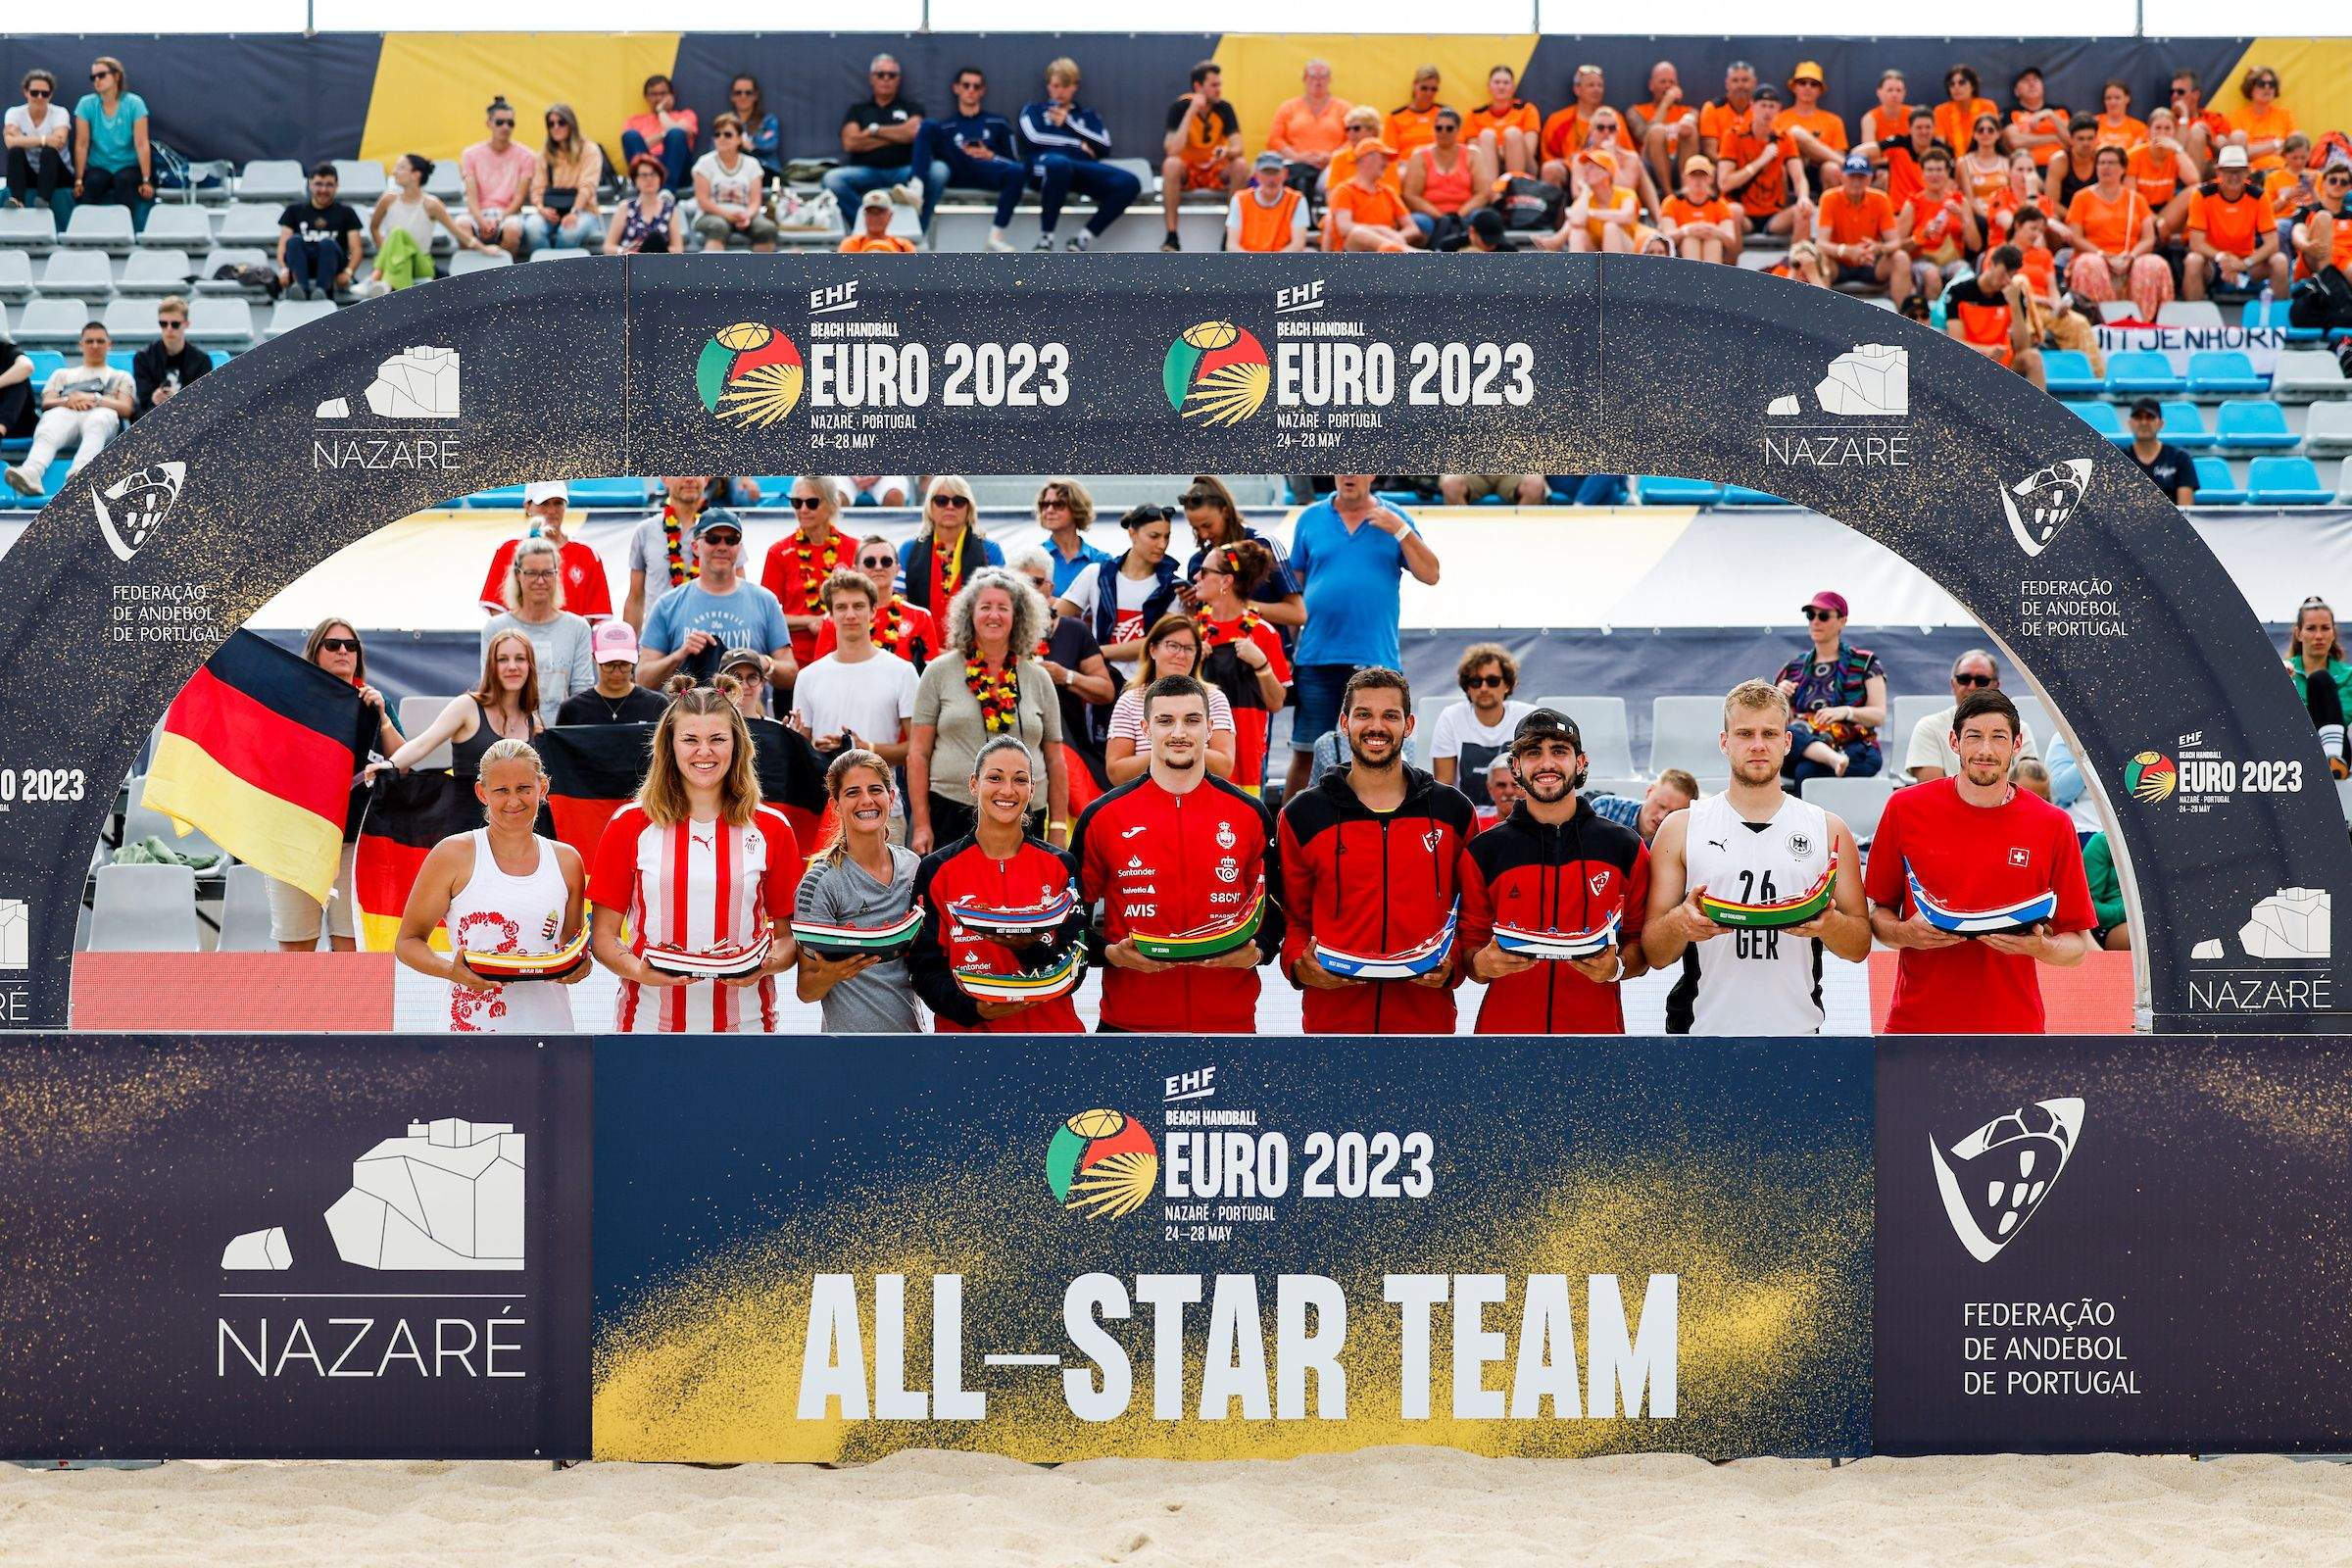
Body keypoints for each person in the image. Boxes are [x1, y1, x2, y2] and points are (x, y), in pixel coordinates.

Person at [1642, 682, 1870, 1036]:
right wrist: (1679, 923)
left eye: (1770, 733)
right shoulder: (1682, 827)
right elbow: (1655, 953)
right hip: (1701, 1034)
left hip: (1799, 1036)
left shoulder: (1828, 829)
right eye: (1745, 733)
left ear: (1787, 742)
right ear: (1724, 741)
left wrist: (1829, 923)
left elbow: (1859, 947)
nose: (1758, 745)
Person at [1864, 688, 2095, 1034]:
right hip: (1916, 1027)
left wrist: (2041, 947)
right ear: (1954, 742)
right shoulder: (1905, 809)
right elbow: (1878, 916)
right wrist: (1906, 932)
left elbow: (2076, 947)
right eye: (1974, 737)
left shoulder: (2053, 824)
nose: (1985, 750)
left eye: (1998, 737)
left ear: (2017, 745)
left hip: (2015, 1030)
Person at [1073, 673, 1283, 1033]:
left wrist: (1260, 951)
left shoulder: (1250, 814)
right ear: (1145, 728)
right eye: (1165, 720)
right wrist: (1109, 953)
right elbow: (1070, 920)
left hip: (1229, 1028)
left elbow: (1277, 911)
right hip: (1129, 1026)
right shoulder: (1102, 817)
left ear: (1209, 727)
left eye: (1192, 720)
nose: (1179, 733)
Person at [590, 678, 802, 1033]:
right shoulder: (628, 824)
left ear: (737, 746)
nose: (704, 752)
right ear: (669, 746)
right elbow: (604, 937)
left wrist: (763, 965)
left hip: (747, 1028)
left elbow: (789, 938)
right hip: (647, 1027)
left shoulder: (772, 828)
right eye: (690, 740)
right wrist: (639, 970)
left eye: (717, 739)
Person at [1280, 668, 1477, 1035]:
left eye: (1390, 715)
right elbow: (1294, 917)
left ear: (1409, 724)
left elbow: (1469, 912)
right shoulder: (1302, 814)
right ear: (1344, 722)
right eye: (1364, 714)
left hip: (1426, 1019)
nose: (1377, 727)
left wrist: (1455, 966)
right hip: (1333, 1019)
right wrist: (1296, 963)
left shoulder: (1453, 811)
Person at [1453, 709, 1652, 1033]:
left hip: (1597, 1039)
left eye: (1559, 751)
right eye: (1534, 753)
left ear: (1580, 762)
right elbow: (1471, 953)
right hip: (1505, 1043)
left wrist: (1616, 967)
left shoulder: (1623, 847)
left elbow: (1641, 945)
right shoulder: (1484, 851)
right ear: (1515, 766)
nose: (1547, 764)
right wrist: (1483, 963)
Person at [395, 739, 586, 1034]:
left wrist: (580, 968)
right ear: (482, 792)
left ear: (543, 788)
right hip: (471, 1035)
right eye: (501, 791)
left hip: (551, 1031)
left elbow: (573, 949)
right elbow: (408, 942)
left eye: (524, 788)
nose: (514, 801)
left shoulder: (567, 860)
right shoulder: (452, 855)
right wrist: (452, 971)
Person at [906, 735, 1086, 1034]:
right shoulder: (936, 869)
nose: (1007, 790)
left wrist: (1028, 949)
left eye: (1019, 780)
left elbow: (1076, 964)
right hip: (967, 1045)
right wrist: (974, 1008)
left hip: (1051, 1040)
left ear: (1032, 788)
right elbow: (923, 969)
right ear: (974, 784)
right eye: (995, 778)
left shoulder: (1061, 865)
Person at [1282, 474, 1442, 801]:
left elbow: (1431, 574)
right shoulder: (1310, 517)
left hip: (1376, 662)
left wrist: (1400, 530)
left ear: (1373, 474)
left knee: (1381, 752)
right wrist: (1286, 650)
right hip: (1316, 657)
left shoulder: (1396, 517)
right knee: (1306, 751)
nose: (1349, 474)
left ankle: (1378, 828)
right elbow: (1293, 592)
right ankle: (1285, 839)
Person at [908, 568, 1069, 853]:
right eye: (985, 607)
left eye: (1003, 608)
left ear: (1017, 617)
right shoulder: (938, 671)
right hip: (952, 811)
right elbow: (918, 754)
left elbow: (1056, 760)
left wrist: (1057, 826)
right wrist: (921, 824)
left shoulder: (1038, 677)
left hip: (1026, 811)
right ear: (969, 614)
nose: (993, 615)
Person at [269, 617, 405, 953]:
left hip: (354, 843)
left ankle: (348, 1009)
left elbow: (405, 760)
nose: (343, 651)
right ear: (315, 653)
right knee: (296, 951)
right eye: (333, 645)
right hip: (296, 840)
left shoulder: (375, 703)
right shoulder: (293, 703)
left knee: (352, 949)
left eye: (351, 645)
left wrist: (383, 717)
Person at [795, 748, 924, 1033]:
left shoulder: (911, 866)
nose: (866, 800)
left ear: (891, 797)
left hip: (911, 1043)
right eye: (852, 792)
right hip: (846, 1054)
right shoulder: (821, 881)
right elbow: (806, 989)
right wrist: (830, 974)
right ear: (837, 804)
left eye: (875, 789)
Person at [639, 512, 795, 695]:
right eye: (713, 539)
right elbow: (642, 679)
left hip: (746, 721)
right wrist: (679, 655)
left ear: (740, 548)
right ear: (695, 546)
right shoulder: (668, 604)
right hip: (687, 719)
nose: (722, 547)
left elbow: (791, 674)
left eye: (731, 540)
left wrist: (765, 663)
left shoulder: (765, 601)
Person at [789, 568, 919, 784]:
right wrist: (804, 743)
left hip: (884, 804)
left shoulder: (902, 672)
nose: (850, 615)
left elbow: (918, 749)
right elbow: (801, 751)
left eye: (858, 606)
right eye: (841, 607)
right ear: (830, 614)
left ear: (873, 611)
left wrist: (865, 749)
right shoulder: (808, 676)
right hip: (825, 806)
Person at [1010, 547, 1117, 790]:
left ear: (1049, 586)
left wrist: (1066, 676)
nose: (1027, 589)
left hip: (1067, 744)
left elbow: (1106, 690)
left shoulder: (1073, 630)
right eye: (1019, 582)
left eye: (1035, 582)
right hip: (1011, 744)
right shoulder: (998, 631)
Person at [1191, 539, 1292, 794]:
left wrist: (1262, 664)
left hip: (1246, 748)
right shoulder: (1191, 631)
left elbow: (1277, 702)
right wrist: (1192, 661)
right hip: (1198, 745)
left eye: (1204, 571)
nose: (1195, 576)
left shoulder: (1264, 633)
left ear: (1226, 581)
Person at [380, 629, 542, 782]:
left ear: (530, 666)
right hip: (464, 809)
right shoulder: (467, 706)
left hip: (513, 810)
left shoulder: (534, 723)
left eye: (520, 658)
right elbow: (422, 744)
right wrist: (390, 765)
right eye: (503, 659)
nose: (512, 666)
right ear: (492, 666)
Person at [1018, 57, 1139, 252]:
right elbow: (1033, 138)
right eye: (1056, 85)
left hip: (1080, 170)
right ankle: (1046, 239)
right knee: (1059, 164)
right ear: (1048, 85)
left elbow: (1104, 145)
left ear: (1075, 86)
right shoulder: (1033, 110)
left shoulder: (1087, 115)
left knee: (1130, 183)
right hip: (1046, 168)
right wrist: (1078, 144)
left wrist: (1070, 124)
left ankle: (1083, 238)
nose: (1060, 91)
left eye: (1065, 86)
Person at [1054, 502, 1179, 688]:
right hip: (1104, 685)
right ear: (1132, 533)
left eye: (1166, 537)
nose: (1162, 544)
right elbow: (1054, 616)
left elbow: (1158, 643)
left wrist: (1095, 652)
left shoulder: (1173, 585)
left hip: (1151, 685)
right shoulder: (1096, 574)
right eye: (1154, 536)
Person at [1102, 613, 1236, 786]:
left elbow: (1224, 767)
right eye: (1173, 646)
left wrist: (1180, 747)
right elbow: (1116, 773)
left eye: (1189, 648)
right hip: (1146, 805)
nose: (1181, 654)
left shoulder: (1214, 698)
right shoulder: (1129, 701)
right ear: (1153, 649)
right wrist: (1163, 749)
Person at [3, 320, 131, 495]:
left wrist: (95, 399)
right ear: (81, 345)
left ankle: (80, 473)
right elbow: (47, 403)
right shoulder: (62, 374)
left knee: (99, 418)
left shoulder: (121, 376)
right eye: (89, 341)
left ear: (109, 344)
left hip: (101, 418)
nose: (95, 346)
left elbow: (126, 408)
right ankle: (31, 472)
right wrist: (68, 401)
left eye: (100, 341)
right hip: (66, 414)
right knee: (50, 421)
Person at [1773, 590, 1887, 784]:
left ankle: (1832, 760)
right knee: (1792, 740)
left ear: (1842, 621)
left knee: (1806, 771)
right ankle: (1832, 759)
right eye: (1811, 615)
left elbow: (1879, 715)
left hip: (1855, 747)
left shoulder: (1865, 662)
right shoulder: (1794, 668)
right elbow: (1779, 723)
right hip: (1803, 746)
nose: (1815, 621)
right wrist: (1780, 698)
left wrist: (1846, 712)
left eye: (1823, 616)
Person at [481, 539, 595, 726]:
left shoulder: (578, 628)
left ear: (557, 574)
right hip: (510, 736)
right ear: (518, 575)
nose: (540, 581)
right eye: (532, 573)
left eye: (547, 573)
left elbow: (582, 694)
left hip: (562, 738)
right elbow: (491, 691)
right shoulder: (495, 628)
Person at [908, 65, 1025, 247]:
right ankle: (915, 190)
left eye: (976, 86)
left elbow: (1015, 162)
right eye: (966, 85)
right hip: (957, 168)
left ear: (982, 91)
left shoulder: (998, 123)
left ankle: (996, 236)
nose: (971, 90)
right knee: (929, 126)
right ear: (956, 88)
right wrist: (960, 152)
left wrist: (990, 155)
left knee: (1017, 172)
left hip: (987, 170)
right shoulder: (946, 127)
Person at [759, 473, 862, 666]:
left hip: (846, 658)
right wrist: (808, 621)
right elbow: (766, 616)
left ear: (832, 504)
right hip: (796, 661)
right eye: (797, 503)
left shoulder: (856, 548)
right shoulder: (779, 552)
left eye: (812, 503)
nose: (803, 509)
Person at [1177, 474, 1302, 633]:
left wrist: (1239, 606)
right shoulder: (1197, 561)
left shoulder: (1264, 545)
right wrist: (1189, 606)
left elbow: (1298, 613)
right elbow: (1199, 624)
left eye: (1207, 525)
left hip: (1266, 653)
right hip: (1218, 654)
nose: (1203, 534)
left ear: (1226, 512)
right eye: (1195, 528)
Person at [479, 481, 612, 621]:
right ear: (527, 507)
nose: (552, 510)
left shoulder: (587, 554)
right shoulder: (509, 550)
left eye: (558, 503)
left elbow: (596, 616)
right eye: (544, 503)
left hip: (572, 641)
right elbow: (497, 610)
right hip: (521, 640)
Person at [2065, 144, 2172, 318]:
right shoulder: (2081, 198)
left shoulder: (2136, 199)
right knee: (2090, 265)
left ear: (2123, 168)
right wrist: (2101, 254)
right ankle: (2103, 321)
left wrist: (2132, 256)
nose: (2106, 167)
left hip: (2128, 258)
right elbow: (2075, 237)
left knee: (2153, 264)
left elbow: (2148, 238)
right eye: (2101, 163)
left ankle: (2142, 323)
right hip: (2096, 256)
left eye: (2112, 163)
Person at [1905, 649, 2040, 782]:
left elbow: (2030, 783)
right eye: (1964, 679)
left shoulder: (2020, 728)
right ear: (1953, 684)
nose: (1972, 686)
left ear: (1996, 686)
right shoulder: (1929, 727)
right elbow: (1932, 792)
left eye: (1981, 680)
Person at [1429, 643, 1535, 811]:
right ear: (1467, 688)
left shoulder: (1528, 717)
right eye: (1476, 682)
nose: (1484, 688)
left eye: (1492, 681)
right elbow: (1443, 787)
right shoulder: (1451, 717)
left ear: (1507, 684)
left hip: (1520, 817)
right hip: (1468, 819)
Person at [814, 535, 939, 670]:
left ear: (897, 569)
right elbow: (822, 671)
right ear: (855, 570)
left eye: (886, 561)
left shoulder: (920, 617)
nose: (879, 567)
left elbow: (930, 675)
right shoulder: (836, 619)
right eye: (870, 562)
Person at [824, 54, 925, 218]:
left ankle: (920, 227)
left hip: (903, 171)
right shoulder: (858, 110)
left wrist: (874, 131)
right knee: (832, 179)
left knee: (937, 172)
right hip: (865, 171)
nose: (886, 79)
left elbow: (913, 133)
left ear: (898, 79)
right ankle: (867, 223)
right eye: (880, 75)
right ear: (872, 78)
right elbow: (850, 143)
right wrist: (897, 135)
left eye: (891, 75)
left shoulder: (912, 107)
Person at [2184, 145, 2286, 302]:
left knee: (2279, 261)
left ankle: (2279, 321)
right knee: (2193, 260)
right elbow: (2196, 243)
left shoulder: (2258, 196)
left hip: (2247, 262)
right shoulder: (2201, 195)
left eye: (2239, 171)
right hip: (2213, 262)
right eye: (2228, 171)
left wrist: (2244, 263)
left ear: (2247, 172)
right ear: (2218, 172)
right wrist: (2222, 258)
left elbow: (2272, 244)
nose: (2234, 176)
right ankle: (2194, 320)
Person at [1160, 59, 1243, 251]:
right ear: (1198, 87)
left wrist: (1226, 152)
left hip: (1215, 169)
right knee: (1171, 164)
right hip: (1188, 171)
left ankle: (1230, 235)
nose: (1218, 89)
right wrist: (1192, 112)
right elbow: (1172, 149)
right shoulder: (1179, 107)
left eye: (1219, 84)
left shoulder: (1224, 108)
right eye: (1213, 85)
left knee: (1239, 165)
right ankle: (1172, 236)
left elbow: (1238, 147)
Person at [899, 474, 1003, 621]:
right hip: (920, 639)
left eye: (958, 501)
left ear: (969, 508)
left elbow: (1000, 601)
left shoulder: (990, 550)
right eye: (941, 501)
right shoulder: (908, 550)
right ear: (930, 507)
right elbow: (899, 600)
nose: (950, 506)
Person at [1943, 245, 2045, 389]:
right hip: (1971, 357)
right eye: (2003, 274)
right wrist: (1986, 351)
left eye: (2011, 276)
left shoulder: (2013, 294)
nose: (2006, 281)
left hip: (2004, 359)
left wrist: (2015, 304)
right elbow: (1955, 342)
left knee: (2033, 357)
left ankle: (2040, 411)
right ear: (1991, 265)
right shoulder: (1959, 293)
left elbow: (2022, 346)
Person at [1816, 152, 1910, 306]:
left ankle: (1906, 318)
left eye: (1861, 177)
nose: (1856, 182)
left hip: (1870, 262)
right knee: (1820, 258)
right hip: (1838, 263)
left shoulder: (1880, 199)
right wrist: (1847, 251)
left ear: (1869, 178)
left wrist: (1878, 248)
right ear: (1842, 177)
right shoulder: (1829, 198)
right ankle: (1821, 314)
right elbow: (1821, 243)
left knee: (1901, 258)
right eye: (1852, 176)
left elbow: (1894, 243)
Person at [623, 474, 714, 631]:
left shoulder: (724, 532)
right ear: (664, 478)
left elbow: (738, 589)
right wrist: (629, 649)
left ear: (706, 479)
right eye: (681, 471)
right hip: (658, 639)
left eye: (697, 471)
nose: (689, 478)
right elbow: (636, 598)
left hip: (709, 636)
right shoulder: (645, 531)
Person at [72, 55, 150, 229]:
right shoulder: (86, 104)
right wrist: (78, 180)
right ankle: (84, 234)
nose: (97, 80)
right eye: (93, 77)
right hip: (99, 165)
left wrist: (146, 180)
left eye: (101, 75)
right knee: (92, 183)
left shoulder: (135, 104)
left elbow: (141, 143)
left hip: (128, 165)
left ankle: (124, 232)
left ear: (117, 76)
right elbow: (81, 144)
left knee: (124, 180)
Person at [455, 98, 536, 258]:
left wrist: (499, 219)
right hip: (478, 212)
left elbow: (519, 199)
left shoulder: (527, 156)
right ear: (489, 123)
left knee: (512, 231)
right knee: (461, 226)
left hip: (508, 214)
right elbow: (471, 196)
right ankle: (473, 274)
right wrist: (480, 220)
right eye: (500, 122)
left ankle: (502, 272)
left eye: (510, 123)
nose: (505, 127)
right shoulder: (470, 154)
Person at [368, 154, 464, 289]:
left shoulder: (431, 204)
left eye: (400, 168)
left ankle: (374, 277)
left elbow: (457, 232)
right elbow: (374, 228)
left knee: (398, 233)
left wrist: (485, 248)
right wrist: (390, 254)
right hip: (397, 263)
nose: (394, 172)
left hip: (422, 264)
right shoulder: (387, 199)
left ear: (416, 175)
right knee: (400, 255)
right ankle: (389, 288)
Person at [522, 103, 606, 252]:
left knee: (569, 233)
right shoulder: (544, 153)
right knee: (532, 227)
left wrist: (574, 212)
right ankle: (544, 271)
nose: (556, 127)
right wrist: (541, 209)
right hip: (551, 210)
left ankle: (560, 273)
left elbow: (587, 186)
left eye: (561, 122)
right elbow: (537, 188)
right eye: (551, 123)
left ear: (571, 124)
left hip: (584, 210)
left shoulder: (589, 150)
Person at [273, 162, 363, 302]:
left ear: (336, 186)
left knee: (327, 244)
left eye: (329, 185)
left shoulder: (347, 212)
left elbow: (356, 249)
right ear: (310, 184)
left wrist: (348, 272)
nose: (323, 189)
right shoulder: (293, 211)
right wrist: (284, 270)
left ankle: (322, 291)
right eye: (319, 184)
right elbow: (283, 246)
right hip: (301, 263)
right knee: (294, 241)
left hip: (332, 264)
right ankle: (300, 289)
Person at [1266, 59, 1351, 204]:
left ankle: (1334, 220)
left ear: (1329, 79)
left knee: (1336, 180)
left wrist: (1333, 157)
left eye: (1323, 77)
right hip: (1296, 164)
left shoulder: (1344, 108)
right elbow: (1274, 140)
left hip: (1331, 165)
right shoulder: (1288, 108)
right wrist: (1297, 157)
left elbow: (1354, 140)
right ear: (1305, 79)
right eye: (1313, 76)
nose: (1318, 82)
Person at [2285, 596, 2352, 780]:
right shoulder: (2280, 670)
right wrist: (2285, 684)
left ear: (2333, 633)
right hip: (2294, 753)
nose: (2319, 636)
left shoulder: (2350, 676)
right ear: (2298, 633)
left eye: (2325, 628)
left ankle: (2333, 760)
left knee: (2320, 679)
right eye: (2311, 628)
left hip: (2341, 754)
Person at [692, 114, 777, 253]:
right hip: (711, 215)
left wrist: (746, 216)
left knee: (766, 228)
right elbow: (703, 201)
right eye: (717, 134)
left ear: (739, 138)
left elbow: (755, 201)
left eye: (727, 134)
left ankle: (763, 273)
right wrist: (728, 215)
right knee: (719, 226)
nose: (721, 138)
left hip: (745, 214)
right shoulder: (704, 163)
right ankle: (711, 273)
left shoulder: (752, 164)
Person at [1897, 146, 1978, 293]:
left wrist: (1963, 217)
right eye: (1930, 170)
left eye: (1939, 170)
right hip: (1922, 262)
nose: (1934, 175)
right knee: (1932, 274)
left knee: (1965, 274)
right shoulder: (1913, 204)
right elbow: (1897, 246)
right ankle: (1931, 315)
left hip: (1953, 261)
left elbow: (1975, 246)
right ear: (1922, 173)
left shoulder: (1960, 201)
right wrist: (1921, 235)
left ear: (1947, 173)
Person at [557, 619, 666, 726]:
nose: (617, 673)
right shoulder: (572, 710)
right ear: (595, 660)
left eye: (624, 664)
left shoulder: (657, 705)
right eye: (609, 665)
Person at [1400, 110, 1492, 236]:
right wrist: (1440, 216)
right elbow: (1411, 195)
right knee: (1417, 222)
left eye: (1449, 128)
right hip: (1429, 215)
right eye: (1439, 128)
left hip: (1466, 214)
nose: (1443, 132)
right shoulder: (1420, 155)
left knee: (1485, 219)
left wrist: (1458, 215)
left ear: (1458, 130)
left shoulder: (1473, 154)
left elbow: (1482, 193)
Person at [2288, 158, 2352, 334]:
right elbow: (2298, 231)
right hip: (2312, 258)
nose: (2338, 184)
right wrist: (2306, 245)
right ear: (2323, 182)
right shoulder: (2308, 210)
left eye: (2344, 182)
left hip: (2344, 265)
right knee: (2324, 218)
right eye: (2333, 180)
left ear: (2349, 188)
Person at [6, 69, 73, 223]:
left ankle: (44, 200)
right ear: (26, 92)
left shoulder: (60, 113)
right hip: (28, 173)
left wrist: (22, 138)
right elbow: (10, 143)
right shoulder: (14, 113)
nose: (40, 97)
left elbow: (58, 142)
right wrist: (45, 139)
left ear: (51, 95)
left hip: (58, 175)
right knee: (16, 152)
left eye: (45, 93)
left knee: (49, 152)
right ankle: (17, 200)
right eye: (35, 93)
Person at [1632, 59, 1702, 195]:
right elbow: (1644, 136)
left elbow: (1692, 119)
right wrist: (1665, 103)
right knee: (1656, 131)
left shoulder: (1689, 111)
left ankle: (1685, 191)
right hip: (1651, 166)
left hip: (1680, 161)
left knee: (1689, 130)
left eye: (1671, 82)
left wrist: (1687, 123)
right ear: (1651, 85)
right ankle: (1668, 194)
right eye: (1663, 82)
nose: (1667, 86)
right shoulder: (1636, 111)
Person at [130, 296, 208, 418]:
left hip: (188, 418)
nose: (169, 329)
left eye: (175, 324)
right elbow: (143, 399)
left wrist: (178, 399)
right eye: (163, 324)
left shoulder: (202, 360)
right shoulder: (143, 358)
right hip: (152, 418)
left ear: (186, 324)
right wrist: (154, 398)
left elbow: (202, 401)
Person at [2128, 107, 2199, 240]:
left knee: (2196, 190)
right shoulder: (2134, 155)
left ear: (2174, 132)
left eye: (2167, 128)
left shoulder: (2175, 154)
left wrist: (2178, 148)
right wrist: (2156, 221)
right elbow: (2130, 197)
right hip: (2140, 211)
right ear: (2148, 131)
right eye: (2158, 128)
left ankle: (2178, 239)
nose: (2162, 133)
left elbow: (2194, 181)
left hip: (2166, 210)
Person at [621, 73, 700, 192]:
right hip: (648, 164)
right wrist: (664, 135)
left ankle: (666, 191)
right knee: (630, 136)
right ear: (646, 97)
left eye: (663, 94)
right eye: (653, 94)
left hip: (677, 168)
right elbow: (636, 146)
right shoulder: (634, 120)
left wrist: (661, 111)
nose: (658, 98)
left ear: (671, 95)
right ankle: (649, 186)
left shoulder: (686, 115)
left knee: (676, 134)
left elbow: (678, 134)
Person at [1778, 61, 1849, 185]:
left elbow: (1838, 155)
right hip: (1790, 170)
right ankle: (1849, 165)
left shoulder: (1833, 121)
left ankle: (1831, 203)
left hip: (1821, 171)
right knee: (1796, 133)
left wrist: (1814, 153)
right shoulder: (1779, 119)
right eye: (1802, 82)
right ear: (1794, 87)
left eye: (1814, 84)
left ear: (1820, 90)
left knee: (1832, 168)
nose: (1807, 87)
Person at [1035, 477, 1110, 595]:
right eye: (1044, 504)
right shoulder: (1032, 560)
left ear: (1076, 508)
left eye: (1058, 504)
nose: (1049, 510)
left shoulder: (1101, 561)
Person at [1224, 155, 1311, 254]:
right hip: (1247, 261)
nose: (1271, 179)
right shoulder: (1240, 199)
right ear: (1256, 175)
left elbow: (1298, 244)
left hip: (1284, 262)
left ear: (1285, 174)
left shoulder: (1296, 200)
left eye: (1275, 172)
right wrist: (1253, 262)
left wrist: (1273, 263)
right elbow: (1232, 244)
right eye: (1266, 173)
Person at [1464, 64, 1540, 178]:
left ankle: (1516, 188)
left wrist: (1501, 150)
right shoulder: (1474, 114)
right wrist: (1501, 151)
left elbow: (1530, 150)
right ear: (1488, 86)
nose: (1501, 87)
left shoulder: (1527, 109)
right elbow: (1475, 153)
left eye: (1506, 83)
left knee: (1512, 133)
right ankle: (1492, 193)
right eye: (1497, 82)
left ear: (1513, 87)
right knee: (1486, 135)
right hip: (1488, 164)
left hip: (1524, 166)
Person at [1660, 155, 1738, 263]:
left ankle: (1711, 276)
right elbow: (1666, 237)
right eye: (1693, 175)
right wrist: (1687, 231)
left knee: (1713, 241)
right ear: (1685, 177)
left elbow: (1731, 240)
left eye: (1702, 175)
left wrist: (1714, 231)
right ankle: (1692, 277)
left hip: (1713, 248)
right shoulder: (1672, 202)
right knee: (1690, 240)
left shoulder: (1719, 204)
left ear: (1710, 178)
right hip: (1680, 253)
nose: (1698, 180)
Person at [603, 153, 684, 256]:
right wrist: (625, 251)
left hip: (660, 262)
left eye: (653, 174)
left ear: (660, 178)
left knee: (655, 239)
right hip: (631, 262)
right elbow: (608, 246)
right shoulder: (625, 208)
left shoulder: (670, 210)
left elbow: (678, 248)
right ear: (635, 180)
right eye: (644, 175)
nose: (649, 179)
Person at [1586, 770, 1698, 844]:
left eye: (1672, 814)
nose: (1662, 817)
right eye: (1660, 805)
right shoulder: (1605, 809)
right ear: (1649, 791)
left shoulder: (1682, 843)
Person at [2124, 396, 2197, 505]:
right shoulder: (2121, 458)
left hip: (2172, 521)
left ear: (2161, 423)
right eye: (2138, 417)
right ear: (2130, 423)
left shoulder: (2180, 459)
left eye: (2150, 417)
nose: (2144, 423)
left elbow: (2186, 511)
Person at [2226, 65, 2293, 173]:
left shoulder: (2285, 115)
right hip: (2252, 175)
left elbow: (2293, 150)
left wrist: (2255, 150)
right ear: (2250, 88)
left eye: (2272, 84)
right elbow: (2241, 154)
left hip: (2281, 172)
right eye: (2261, 84)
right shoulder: (2236, 117)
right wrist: (2276, 144)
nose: (2267, 87)